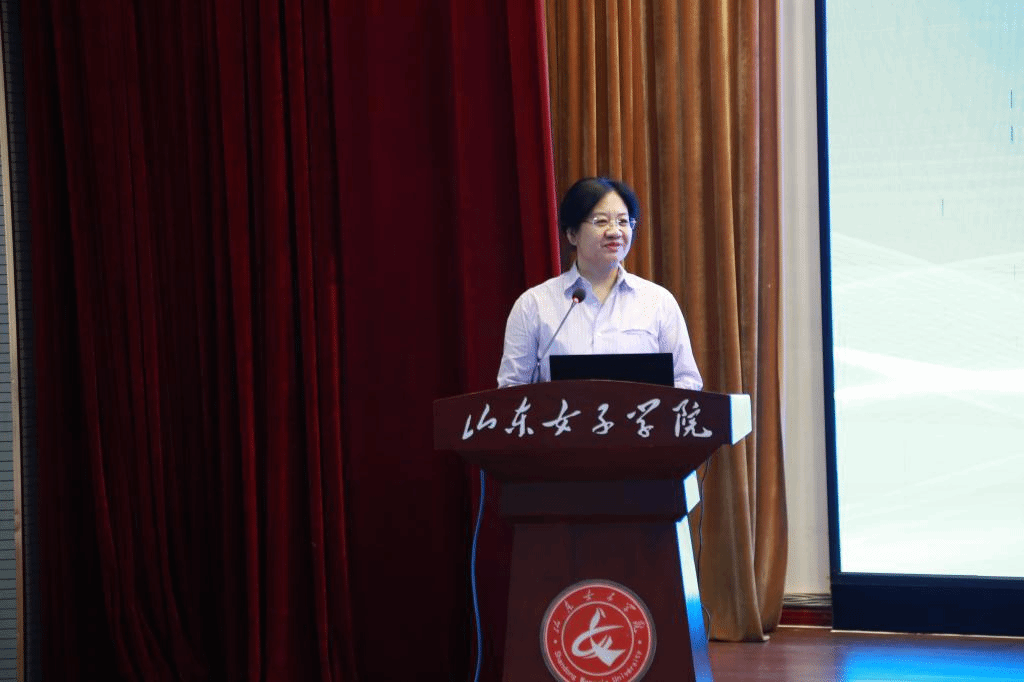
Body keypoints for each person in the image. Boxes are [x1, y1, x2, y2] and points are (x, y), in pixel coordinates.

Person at [497, 177, 703, 389]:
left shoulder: (658, 302)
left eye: (623, 221)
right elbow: (512, 389)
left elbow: (687, 381)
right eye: (601, 221)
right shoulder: (533, 305)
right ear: (572, 234)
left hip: (643, 412)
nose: (615, 232)